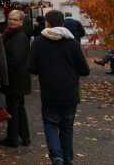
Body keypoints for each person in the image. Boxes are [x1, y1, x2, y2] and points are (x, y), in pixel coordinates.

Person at [29, 10, 90, 165]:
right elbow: (85, 70)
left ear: (47, 23)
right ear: (63, 23)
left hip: (49, 92)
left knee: (50, 124)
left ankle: (56, 156)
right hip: (69, 93)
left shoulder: (38, 42)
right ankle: (67, 158)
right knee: (67, 128)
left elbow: (32, 68)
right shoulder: (72, 43)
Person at [1, 10, 31, 148]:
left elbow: (15, 59)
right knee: (18, 108)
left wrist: (3, 66)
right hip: (18, 79)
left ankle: (13, 139)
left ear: (21, 21)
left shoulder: (18, 36)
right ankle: (24, 137)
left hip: (15, 79)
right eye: (10, 18)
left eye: (15, 19)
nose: (11, 21)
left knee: (13, 109)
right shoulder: (13, 35)